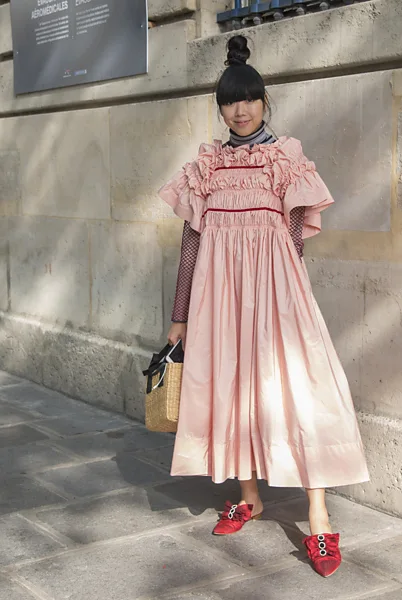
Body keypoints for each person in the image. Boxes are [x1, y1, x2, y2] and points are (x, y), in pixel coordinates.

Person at [158, 35, 369, 578]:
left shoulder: (284, 160)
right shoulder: (204, 168)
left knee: (299, 391)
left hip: (277, 295)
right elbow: (191, 244)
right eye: (231, 101)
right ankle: (248, 496)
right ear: (220, 107)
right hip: (218, 298)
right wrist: (179, 317)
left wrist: (283, 290)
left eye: (250, 99)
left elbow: (296, 236)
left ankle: (319, 518)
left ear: (264, 101)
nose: (241, 109)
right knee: (232, 388)